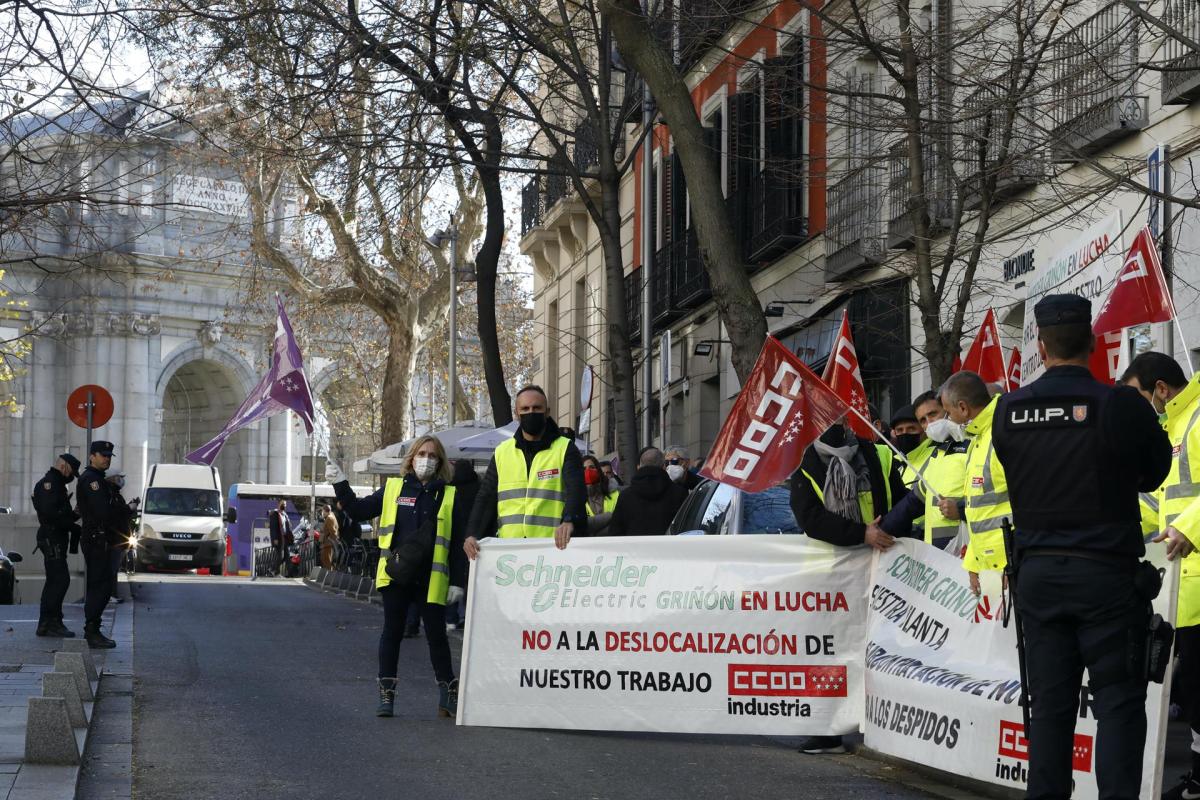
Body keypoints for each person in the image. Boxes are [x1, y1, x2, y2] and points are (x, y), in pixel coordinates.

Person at [992, 294, 1174, 799]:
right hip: (1107, 579)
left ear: (1041, 346)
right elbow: (1155, 471)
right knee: (1117, 702)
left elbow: (1021, 470)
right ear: (1093, 343)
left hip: (1039, 578)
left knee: (1049, 706)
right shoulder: (1119, 405)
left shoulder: (1008, 410)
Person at [790, 419, 907, 754]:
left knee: (881, 648)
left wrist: (885, 530)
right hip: (832, 576)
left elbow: (900, 500)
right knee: (832, 653)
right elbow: (810, 519)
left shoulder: (878, 454)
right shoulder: (807, 462)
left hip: (881, 564)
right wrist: (861, 534)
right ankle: (829, 730)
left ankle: (885, 728)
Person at [334, 436, 468, 718]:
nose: (427, 459)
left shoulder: (450, 494)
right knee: (392, 634)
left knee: (436, 637)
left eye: (433, 455)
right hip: (396, 575)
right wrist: (340, 484)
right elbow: (358, 512)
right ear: (411, 458)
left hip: (431, 578)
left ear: (441, 462)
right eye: (422, 453)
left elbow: (457, 543)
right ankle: (386, 693)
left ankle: (448, 693)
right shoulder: (393, 488)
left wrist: (458, 580)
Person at [1122, 350, 1200, 798]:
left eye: (1136, 397)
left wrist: (1188, 527)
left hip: (1193, 579)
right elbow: (1160, 503)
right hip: (1181, 583)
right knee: (1193, 689)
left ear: (1161, 391)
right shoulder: (1170, 429)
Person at [464, 385, 587, 560]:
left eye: (537, 408)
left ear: (547, 412)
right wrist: (472, 533)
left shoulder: (565, 448)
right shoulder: (502, 452)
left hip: (553, 547)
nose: (531, 412)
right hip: (510, 549)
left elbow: (577, 490)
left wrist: (569, 520)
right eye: (525, 409)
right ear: (517, 413)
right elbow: (485, 497)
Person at [939, 371, 1008, 594]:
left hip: (1009, 568)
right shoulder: (978, 439)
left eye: (948, 413)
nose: (948, 419)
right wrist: (973, 563)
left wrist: (1015, 562)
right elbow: (978, 513)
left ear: (962, 407)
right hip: (992, 568)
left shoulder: (1001, 433)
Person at [880, 391, 970, 548]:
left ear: (947, 409)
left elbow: (994, 494)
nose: (930, 423)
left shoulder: (972, 444)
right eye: (923, 420)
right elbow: (915, 500)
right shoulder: (939, 453)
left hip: (969, 549)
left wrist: (961, 509)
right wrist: (878, 531)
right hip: (939, 555)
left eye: (933, 414)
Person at [76, 440, 119, 649]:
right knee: (98, 586)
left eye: (109, 455)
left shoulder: (99, 480)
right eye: (103, 455)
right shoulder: (91, 480)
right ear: (92, 455)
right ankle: (91, 630)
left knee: (103, 585)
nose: (107, 459)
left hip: (102, 539)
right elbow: (102, 512)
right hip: (96, 540)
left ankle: (94, 628)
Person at [32, 454, 81, 638]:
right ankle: (51, 622)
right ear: (64, 467)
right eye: (71, 472)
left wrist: (75, 515)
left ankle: (48, 623)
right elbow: (51, 514)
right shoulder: (50, 484)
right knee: (60, 580)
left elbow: (62, 515)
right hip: (51, 538)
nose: (71, 476)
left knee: (55, 580)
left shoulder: (57, 484)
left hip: (55, 538)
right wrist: (72, 525)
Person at [607, 448, 687, 536]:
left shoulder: (626, 496)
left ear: (640, 466)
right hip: (669, 547)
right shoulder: (679, 493)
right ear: (664, 466)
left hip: (633, 548)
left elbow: (615, 531)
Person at [105, 472, 136, 603]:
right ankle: (109, 594)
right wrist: (127, 508)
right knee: (111, 569)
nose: (121, 481)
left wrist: (130, 508)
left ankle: (112, 594)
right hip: (113, 539)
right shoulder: (109, 495)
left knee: (114, 568)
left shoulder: (116, 496)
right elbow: (115, 514)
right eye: (118, 478)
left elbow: (123, 514)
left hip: (119, 539)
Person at [582, 454, 620, 536]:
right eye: (584, 469)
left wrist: (594, 529)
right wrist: (610, 516)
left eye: (592, 467)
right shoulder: (576, 497)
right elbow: (581, 525)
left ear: (598, 470)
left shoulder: (615, 493)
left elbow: (619, 521)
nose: (588, 471)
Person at [269, 500, 293, 576]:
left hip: (285, 538)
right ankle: (273, 570)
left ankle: (290, 573)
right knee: (280, 556)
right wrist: (275, 538)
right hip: (279, 538)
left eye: (285, 504)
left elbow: (288, 526)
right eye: (282, 504)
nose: (284, 505)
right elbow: (273, 528)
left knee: (287, 556)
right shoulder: (275, 514)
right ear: (278, 504)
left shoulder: (285, 515)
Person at [319, 504, 339, 570]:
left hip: (327, 544)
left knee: (327, 560)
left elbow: (333, 532)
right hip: (327, 543)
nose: (322, 513)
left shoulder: (329, 518)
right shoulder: (330, 517)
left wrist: (329, 540)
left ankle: (329, 575)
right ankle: (329, 574)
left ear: (325, 511)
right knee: (326, 560)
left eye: (322, 511)